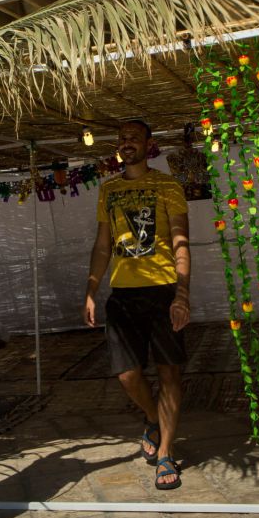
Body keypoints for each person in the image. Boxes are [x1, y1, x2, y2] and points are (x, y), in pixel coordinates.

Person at [83, 120, 191, 490]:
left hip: (163, 291)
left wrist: (182, 294)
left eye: (133, 137)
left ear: (149, 144)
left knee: (169, 373)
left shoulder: (167, 186)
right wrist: (91, 289)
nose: (126, 142)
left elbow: (180, 242)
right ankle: (153, 418)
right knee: (127, 374)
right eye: (122, 138)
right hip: (123, 295)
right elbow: (102, 246)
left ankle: (165, 453)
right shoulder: (108, 189)